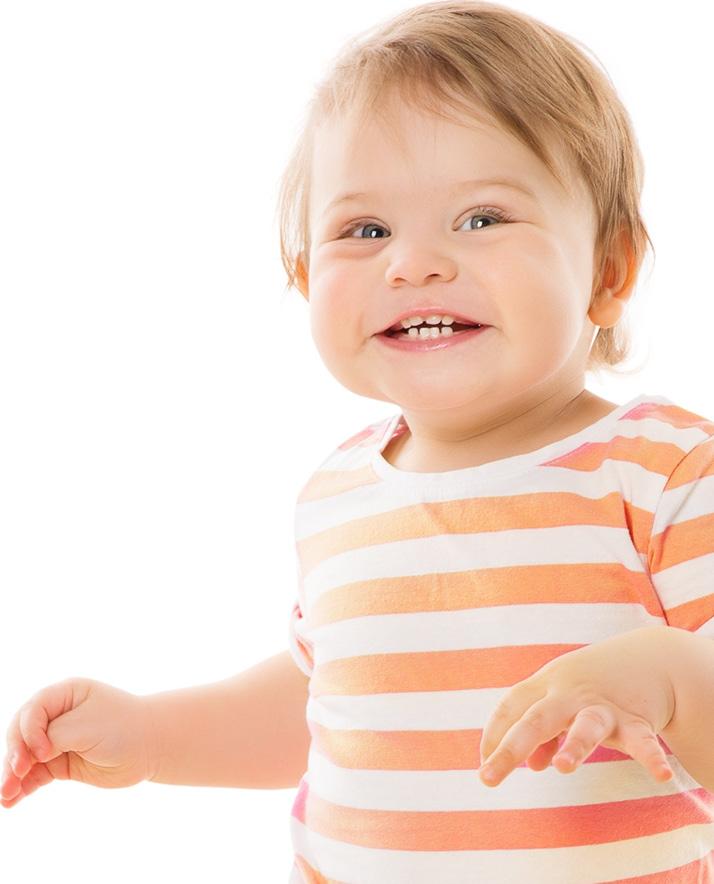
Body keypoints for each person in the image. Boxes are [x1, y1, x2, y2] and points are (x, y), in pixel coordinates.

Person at [4, 1, 714, 880]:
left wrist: (672, 680)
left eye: (482, 218)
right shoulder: (339, 493)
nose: (413, 264)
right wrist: (153, 735)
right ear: (306, 277)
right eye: (365, 231)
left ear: (609, 269)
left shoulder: (664, 473)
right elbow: (323, 705)